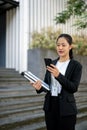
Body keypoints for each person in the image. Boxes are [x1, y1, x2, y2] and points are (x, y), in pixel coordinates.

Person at [31, 34, 82, 130]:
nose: (60, 48)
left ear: (70, 47)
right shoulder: (52, 63)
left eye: (63, 45)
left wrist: (58, 75)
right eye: (58, 45)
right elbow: (47, 85)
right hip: (50, 106)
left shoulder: (76, 65)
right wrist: (39, 87)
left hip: (66, 108)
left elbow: (73, 87)